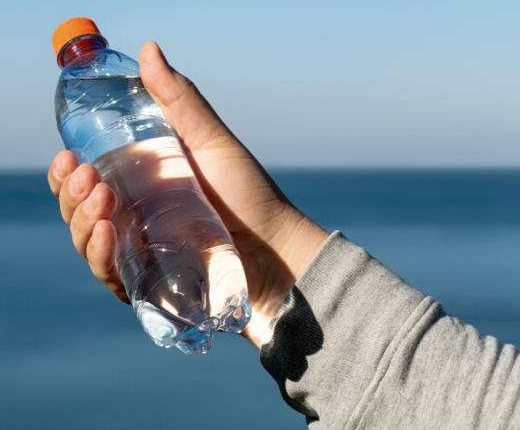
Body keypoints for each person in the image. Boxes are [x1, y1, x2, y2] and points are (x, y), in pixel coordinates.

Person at [46, 42, 520, 428]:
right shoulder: (109, 82)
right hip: (229, 276)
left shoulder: (83, 94)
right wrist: (274, 265)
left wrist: (271, 258)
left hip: (209, 277)